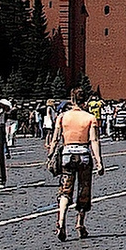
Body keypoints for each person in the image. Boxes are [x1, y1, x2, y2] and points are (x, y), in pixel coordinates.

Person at [47, 87, 102, 240]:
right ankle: (80, 223)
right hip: (83, 155)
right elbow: (94, 141)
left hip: (67, 155)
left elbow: (56, 139)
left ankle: (61, 220)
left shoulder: (62, 117)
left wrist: (50, 154)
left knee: (65, 190)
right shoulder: (90, 118)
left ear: (72, 100)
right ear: (85, 101)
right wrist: (99, 162)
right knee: (84, 189)